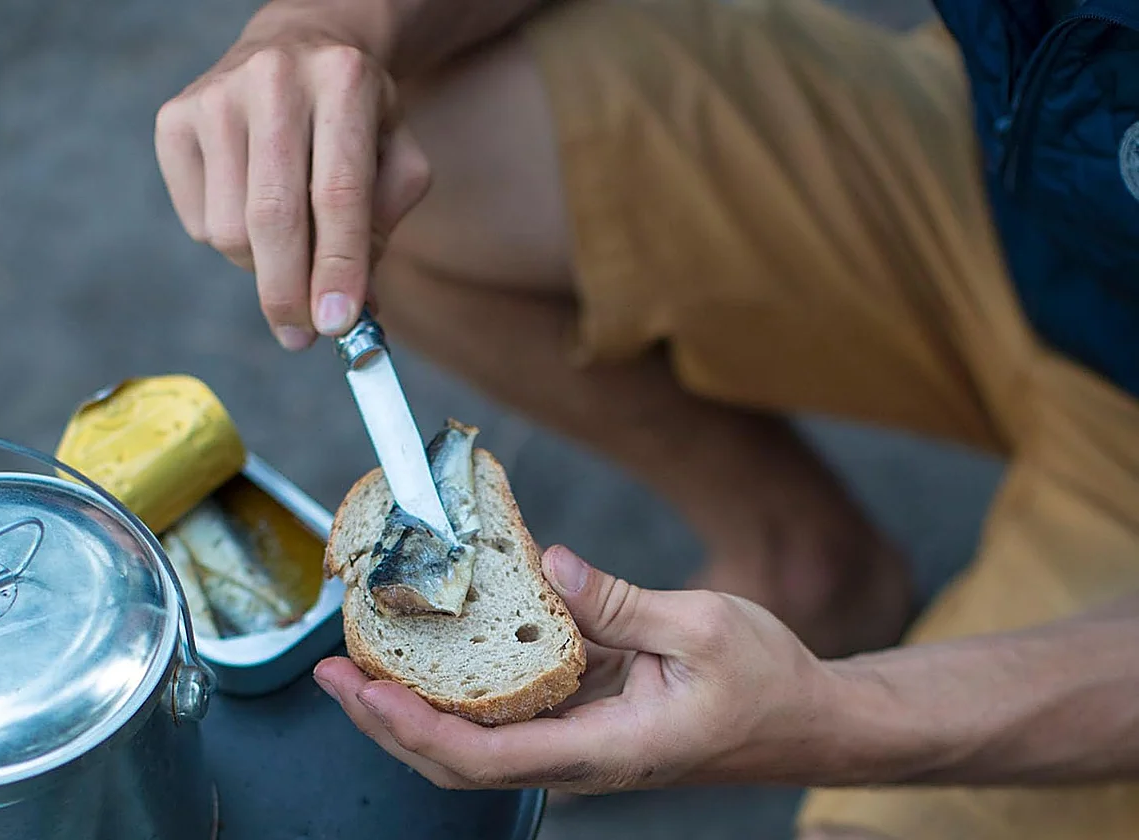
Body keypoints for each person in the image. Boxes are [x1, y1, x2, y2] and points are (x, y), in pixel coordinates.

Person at [153, 0, 1139, 836]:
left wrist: (840, 718)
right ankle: (803, 558)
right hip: (1026, 178)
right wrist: (335, 27)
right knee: (384, 165)